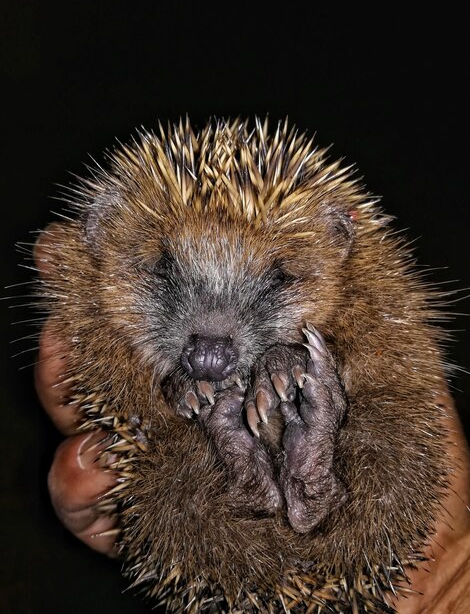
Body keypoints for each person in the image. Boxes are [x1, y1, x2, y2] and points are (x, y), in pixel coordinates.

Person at [34, 226, 470, 613]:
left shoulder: (355, 283)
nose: (212, 351)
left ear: (339, 239)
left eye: (276, 280)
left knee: (385, 435)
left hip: (368, 512)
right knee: (171, 488)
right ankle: (264, 464)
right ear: (100, 229)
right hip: (215, 520)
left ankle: (265, 458)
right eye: (164, 274)